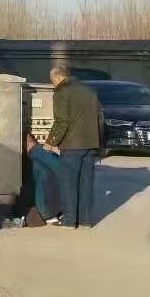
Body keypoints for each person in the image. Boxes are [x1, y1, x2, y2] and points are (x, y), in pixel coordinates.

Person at [44, 65, 103, 227]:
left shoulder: (62, 91)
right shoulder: (89, 91)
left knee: (68, 183)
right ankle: (85, 220)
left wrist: (51, 141)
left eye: (52, 81)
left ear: (58, 77)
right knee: (86, 184)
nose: (53, 84)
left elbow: (62, 121)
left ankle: (69, 220)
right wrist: (99, 142)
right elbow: (100, 118)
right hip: (91, 144)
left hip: (72, 145)